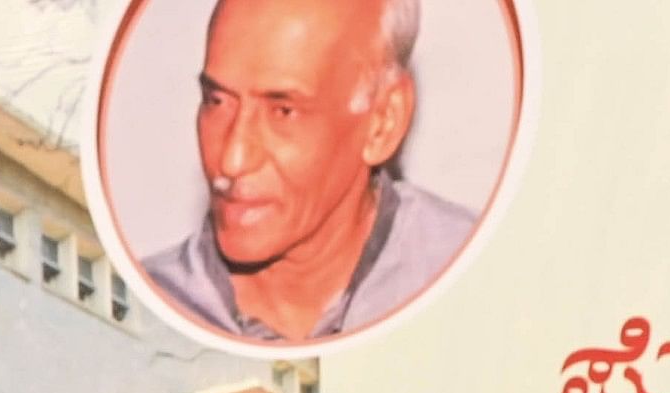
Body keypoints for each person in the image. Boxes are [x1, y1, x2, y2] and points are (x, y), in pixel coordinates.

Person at [138, 0, 483, 345]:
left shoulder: (483, 273)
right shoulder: (140, 305)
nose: (232, 160)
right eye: (217, 102)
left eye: (283, 111)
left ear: (382, 122)